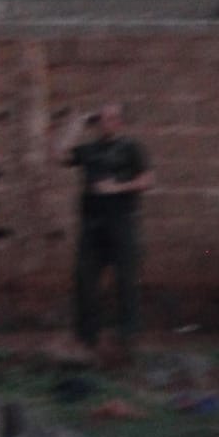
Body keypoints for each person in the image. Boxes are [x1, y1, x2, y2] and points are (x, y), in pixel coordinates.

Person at [57, 103, 154, 363]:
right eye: (101, 118)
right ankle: (86, 337)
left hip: (121, 223)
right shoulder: (89, 150)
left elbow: (147, 180)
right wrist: (76, 124)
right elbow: (60, 155)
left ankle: (127, 337)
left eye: (110, 118)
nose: (104, 123)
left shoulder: (131, 148)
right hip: (92, 225)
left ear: (120, 122)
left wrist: (119, 187)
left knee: (126, 280)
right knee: (84, 280)